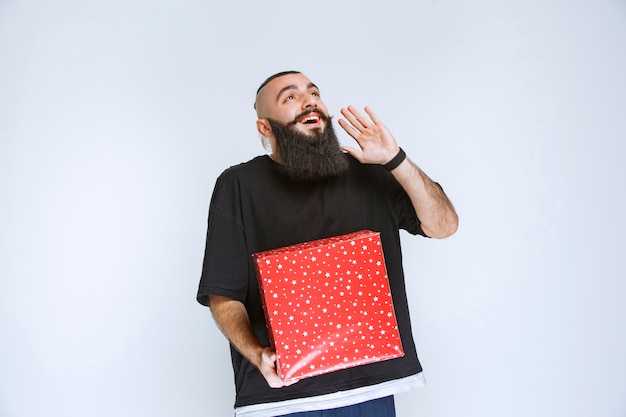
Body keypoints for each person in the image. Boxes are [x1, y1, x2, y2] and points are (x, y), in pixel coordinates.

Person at [196, 71, 458, 417]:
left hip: (373, 387)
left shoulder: (370, 171)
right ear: (265, 127)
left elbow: (444, 226)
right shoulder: (239, 185)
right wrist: (257, 353)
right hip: (284, 398)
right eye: (290, 97)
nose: (309, 101)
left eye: (314, 92)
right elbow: (223, 295)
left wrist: (395, 160)